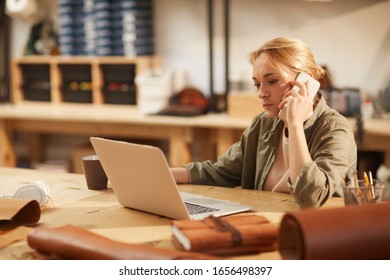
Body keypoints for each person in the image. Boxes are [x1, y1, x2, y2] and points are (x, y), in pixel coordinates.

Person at [171, 37, 357, 208]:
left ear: (305, 81)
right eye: (257, 84)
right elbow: (220, 172)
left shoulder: (335, 130)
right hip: (264, 221)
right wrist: (163, 174)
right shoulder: (263, 123)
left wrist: (294, 124)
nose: (261, 93)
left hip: (314, 232)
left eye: (272, 81)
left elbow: (311, 198)